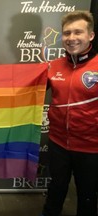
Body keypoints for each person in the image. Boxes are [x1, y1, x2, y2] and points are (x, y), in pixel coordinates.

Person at [41, 10, 98, 216]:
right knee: (55, 188)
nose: (71, 38)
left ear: (90, 35)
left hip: (91, 148)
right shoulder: (53, 66)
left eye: (78, 32)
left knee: (87, 195)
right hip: (58, 144)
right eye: (67, 33)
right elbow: (28, 92)